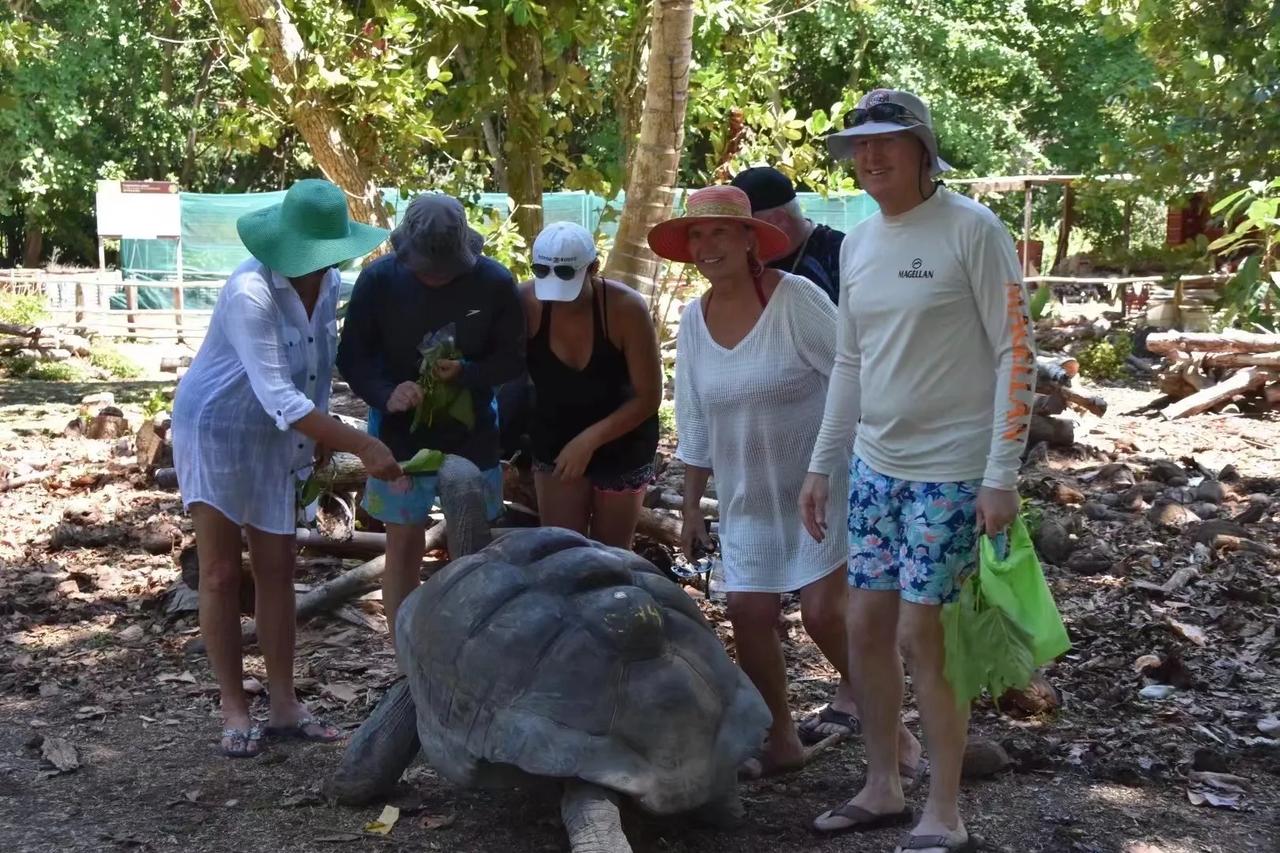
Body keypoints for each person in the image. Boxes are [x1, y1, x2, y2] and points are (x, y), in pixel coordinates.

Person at [800, 89, 1035, 851]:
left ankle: (945, 811)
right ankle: (881, 782)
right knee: (862, 622)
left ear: (923, 149)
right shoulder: (858, 243)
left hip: (954, 471)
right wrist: (820, 465)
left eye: (887, 142)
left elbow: (1015, 350)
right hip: (876, 467)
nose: (870, 157)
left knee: (921, 633)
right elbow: (848, 359)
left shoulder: (973, 229)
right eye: (858, 145)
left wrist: (1001, 472)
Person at [171, 178, 402, 758]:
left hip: (286, 434)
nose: (320, 265)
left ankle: (284, 703)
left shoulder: (328, 284)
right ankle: (232, 705)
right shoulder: (250, 291)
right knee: (222, 573)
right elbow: (276, 393)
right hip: (219, 429)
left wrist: (322, 428)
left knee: (278, 566)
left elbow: (316, 367)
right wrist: (363, 446)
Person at [649, 185, 864, 778]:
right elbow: (692, 416)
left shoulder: (797, 299)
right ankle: (782, 738)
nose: (707, 245)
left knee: (823, 615)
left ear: (750, 240)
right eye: (697, 234)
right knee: (748, 611)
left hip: (819, 484)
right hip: (747, 495)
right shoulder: (694, 318)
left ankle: (894, 734)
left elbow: (853, 377)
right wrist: (692, 506)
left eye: (720, 231)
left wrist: (844, 463)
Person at [336, 193, 525, 647]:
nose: (437, 276)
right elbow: (353, 357)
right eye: (426, 268)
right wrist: (387, 392)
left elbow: (514, 359)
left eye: (447, 268)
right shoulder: (379, 280)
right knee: (403, 542)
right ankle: (406, 651)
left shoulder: (496, 283)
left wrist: (468, 374)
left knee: (473, 543)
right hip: (399, 436)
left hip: (473, 432)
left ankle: (471, 646)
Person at [519, 221, 662, 546]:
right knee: (561, 550)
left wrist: (588, 441)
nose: (557, 298)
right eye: (544, 275)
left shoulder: (625, 309)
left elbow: (649, 395)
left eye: (567, 280)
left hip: (623, 436)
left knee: (611, 555)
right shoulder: (526, 303)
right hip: (555, 434)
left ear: (594, 269)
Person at [731, 166, 845, 303]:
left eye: (745, 226)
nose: (739, 236)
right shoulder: (743, 263)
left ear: (778, 220)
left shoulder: (839, 253)